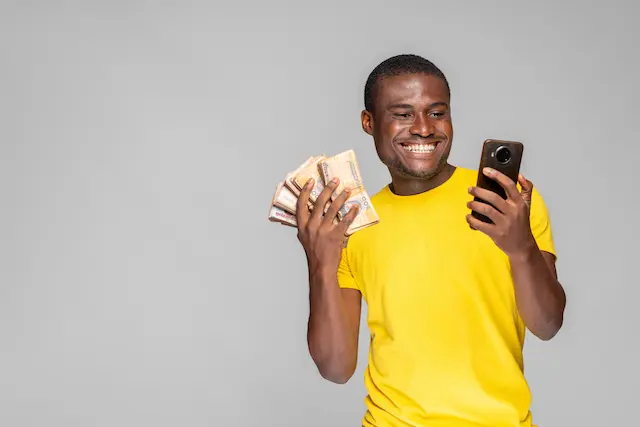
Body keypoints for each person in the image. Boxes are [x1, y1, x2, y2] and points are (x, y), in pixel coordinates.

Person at [294, 54, 566, 427]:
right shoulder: (353, 225)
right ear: (368, 122)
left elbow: (548, 324)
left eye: (437, 112)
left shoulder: (508, 204)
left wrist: (521, 249)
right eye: (403, 114)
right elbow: (335, 367)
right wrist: (319, 264)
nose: (423, 128)